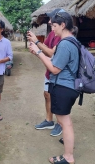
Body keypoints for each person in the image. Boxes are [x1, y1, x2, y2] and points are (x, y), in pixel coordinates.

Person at [29, 9, 79, 164]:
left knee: (65, 123)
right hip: (69, 86)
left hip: (63, 87)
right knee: (66, 122)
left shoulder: (64, 44)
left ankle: (68, 156)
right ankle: (68, 150)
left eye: (54, 25)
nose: (52, 27)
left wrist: (38, 52)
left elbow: (54, 68)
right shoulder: (73, 41)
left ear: (63, 25)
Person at [27, 9, 62, 137]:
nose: (49, 21)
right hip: (49, 71)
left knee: (58, 98)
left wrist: (36, 42)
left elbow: (52, 52)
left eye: (51, 19)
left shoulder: (63, 36)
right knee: (47, 94)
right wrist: (36, 51)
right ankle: (49, 120)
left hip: (59, 73)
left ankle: (60, 123)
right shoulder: (52, 34)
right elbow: (45, 50)